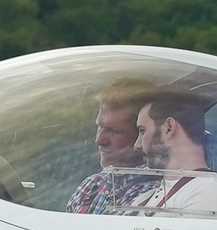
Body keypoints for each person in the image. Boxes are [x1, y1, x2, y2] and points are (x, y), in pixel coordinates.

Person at [128, 90, 217, 219]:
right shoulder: (146, 197)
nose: (137, 145)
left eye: (142, 131)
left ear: (169, 128)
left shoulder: (209, 192)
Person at [67, 80, 159, 215]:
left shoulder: (154, 193)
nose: (99, 140)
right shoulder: (92, 185)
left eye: (113, 130)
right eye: (99, 127)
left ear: (141, 133)